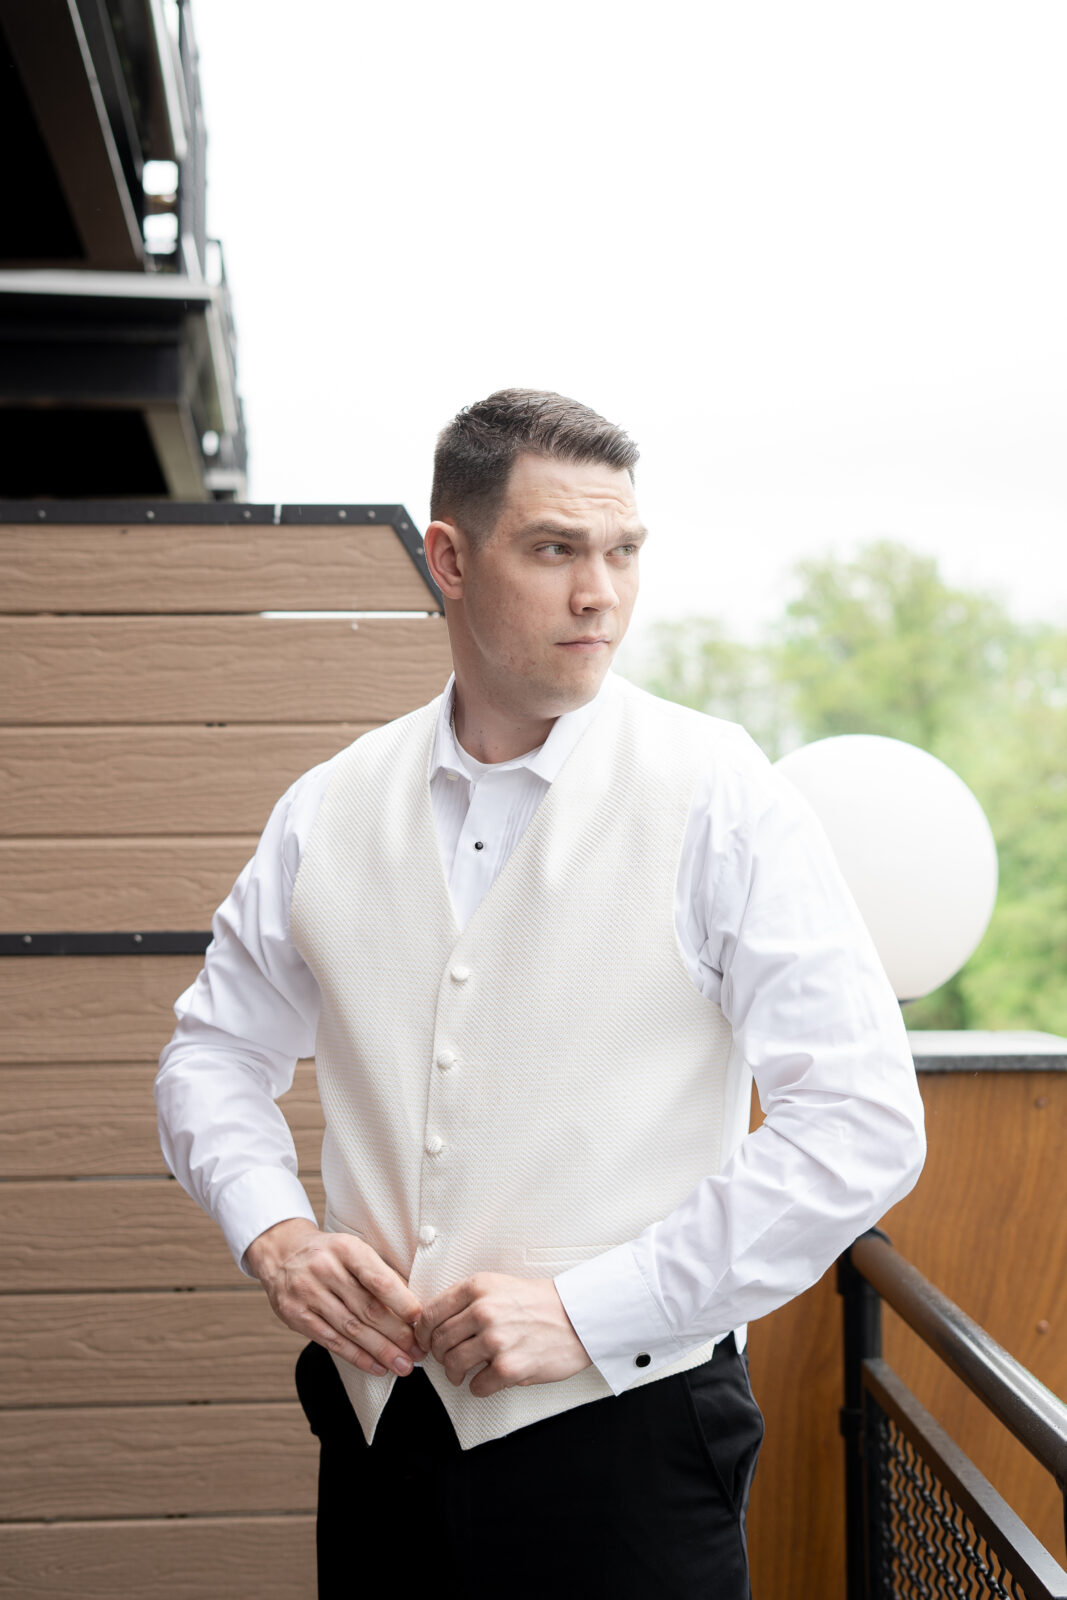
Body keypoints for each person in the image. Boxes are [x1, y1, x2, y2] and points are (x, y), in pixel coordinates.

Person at [155, 387, 925, 1598]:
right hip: (379, 1443)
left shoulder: (720, 794)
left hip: (632, 1435)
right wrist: (276, 1230)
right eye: (556, 549)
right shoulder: (328, 805)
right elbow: (209, 1055)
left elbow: (863, 1123)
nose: (599, 594)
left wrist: (592, 1307)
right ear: (449, 558)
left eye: (622, 552)